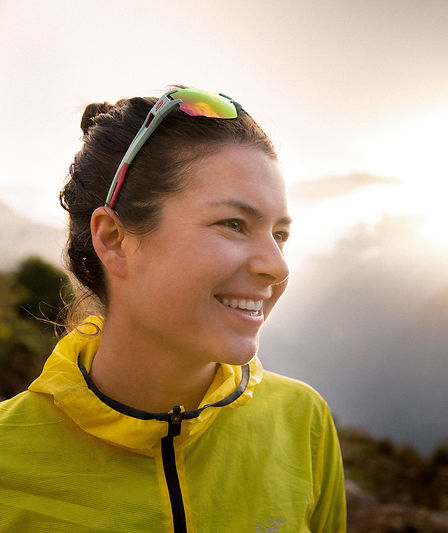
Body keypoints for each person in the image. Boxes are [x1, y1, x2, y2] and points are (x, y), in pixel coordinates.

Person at [0, 87, 346, 532]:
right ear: (114, 239)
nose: (276, 267)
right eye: (233, 224)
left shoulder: (303, 422)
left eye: (279, 235)